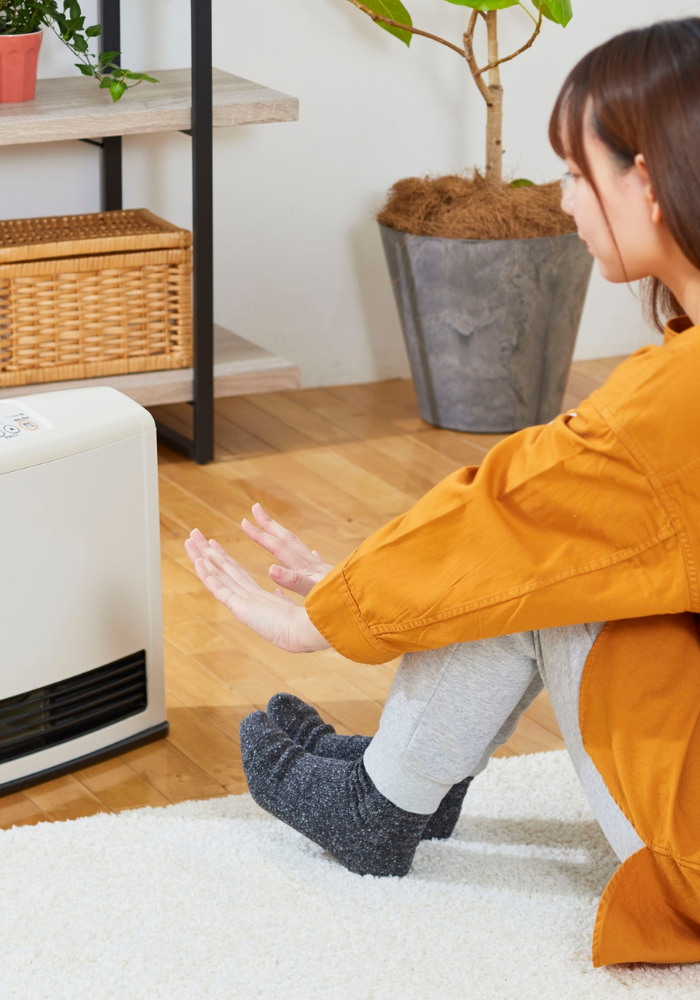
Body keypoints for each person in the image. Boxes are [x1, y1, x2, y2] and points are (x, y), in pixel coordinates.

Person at [184, 18, 700, 968]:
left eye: (576, 173)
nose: (562, 200)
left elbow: (512, 517)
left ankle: (385, 800)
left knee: (531, 554)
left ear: (651, 184)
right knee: (535, 542)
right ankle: (413, 774)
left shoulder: (677, 403)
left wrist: (326, 614)